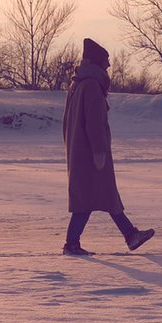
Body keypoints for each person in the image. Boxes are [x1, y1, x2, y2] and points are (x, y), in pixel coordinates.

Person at [61, 38, 154, 256]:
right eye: (106, 61)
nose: (109, 66)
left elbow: (67, 123)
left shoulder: (77, 85)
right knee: (90, 199)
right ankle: (72, 244)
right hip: (91, 154)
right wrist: (99, 151)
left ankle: (130, 235)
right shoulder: (92, 86)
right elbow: (94, 123)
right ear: (97, 63)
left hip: (80, 152)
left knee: (102, 196)